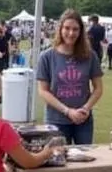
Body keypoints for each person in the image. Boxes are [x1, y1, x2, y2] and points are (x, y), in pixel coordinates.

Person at [36, 9, 103, 145]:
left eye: (75, 29)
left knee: (85, 160)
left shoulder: (90, 56)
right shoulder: (47, 57)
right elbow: (43, 91)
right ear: (60, 28)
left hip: (83, 120)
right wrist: (67, 111)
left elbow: (98, 88)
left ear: (81, 31)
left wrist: (85, 109)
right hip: (56, 120)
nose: (71, 33)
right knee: (58, 162)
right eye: (67, 28)